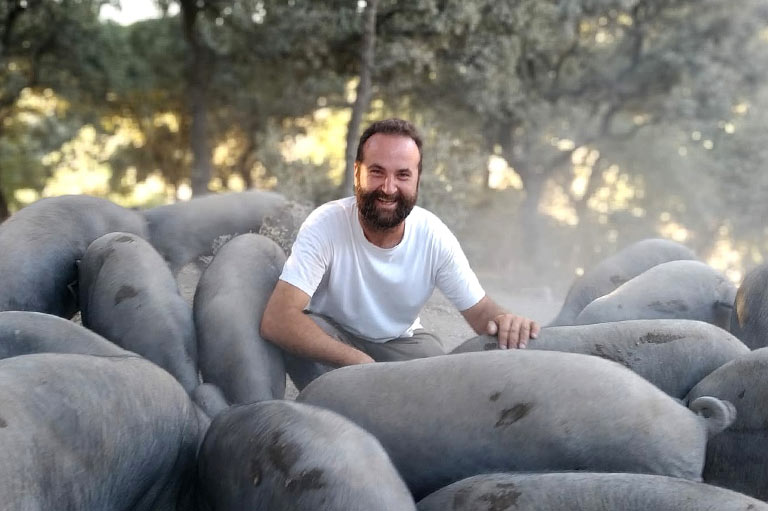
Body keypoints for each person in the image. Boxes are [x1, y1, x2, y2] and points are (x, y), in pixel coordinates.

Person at [260, 118, 539, 388]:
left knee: (443, 384)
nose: (388, 188)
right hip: (335, 338)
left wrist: (506, 320)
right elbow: (278, 318)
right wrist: (357, 361)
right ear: (357, 173)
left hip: (401, 342)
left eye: (402, 174)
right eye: (377, 171)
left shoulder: (433, 235)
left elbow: (480, 311)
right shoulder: (326, 224)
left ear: (417, 179)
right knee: (306, 334)